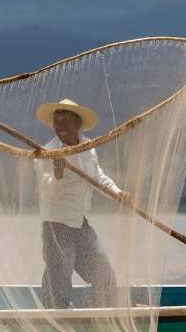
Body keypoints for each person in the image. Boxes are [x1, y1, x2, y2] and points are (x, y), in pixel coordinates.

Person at [34, 98, 126, 309]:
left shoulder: (88, 148)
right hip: (56, 225)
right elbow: (50, 194)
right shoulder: (47, 153)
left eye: (65, 122)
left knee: (103, 272)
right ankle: (56, 321)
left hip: (79, 223)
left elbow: (98, 176)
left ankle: (101, 314)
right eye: (57, 122)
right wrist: (58, 175)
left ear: (77, 124)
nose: (61, 127)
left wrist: (118, 193)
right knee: (59, 282)